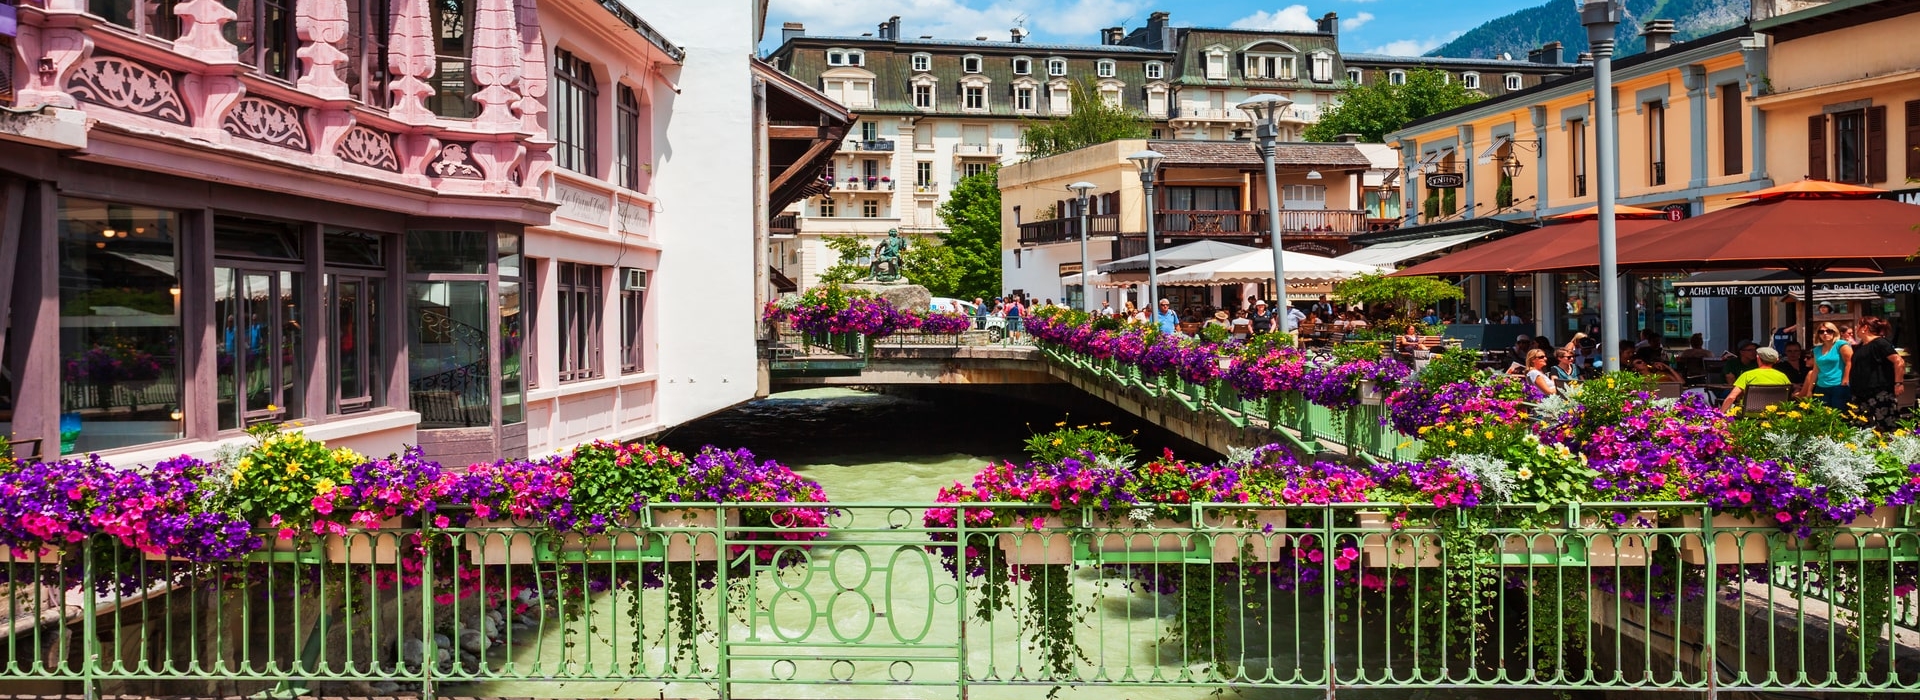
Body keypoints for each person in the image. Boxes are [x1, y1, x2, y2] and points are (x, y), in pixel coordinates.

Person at [1849, 316, 1906, 431]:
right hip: (1860, 392)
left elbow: (1899, 361)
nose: (1856, 328)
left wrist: (1898, 383)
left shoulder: (1880, 343)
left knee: (1887, 424)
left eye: (1858, 325)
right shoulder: (1860, 346)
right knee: (1860, 426)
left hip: (1879, 391)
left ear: (1864, 328)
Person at [1721, 346, 1793, 412]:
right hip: (1774, 415)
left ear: (1758, 358)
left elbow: (1731, 397)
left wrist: (1720, 415)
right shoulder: (1782, 376)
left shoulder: (1747, 375)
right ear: (1775, 360)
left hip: (1749, 414)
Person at [1803, 321, 1853, 409]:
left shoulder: (1841, 345)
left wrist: (1845, 382)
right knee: (1822, 416)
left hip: (1838, 385)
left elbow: (1850, 363)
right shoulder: (1817, 350)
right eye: (1821, 332)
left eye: (1829, 331)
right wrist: (1810, 390)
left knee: (1839, 416)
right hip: (1821, 387)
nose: (1825, 333)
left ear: (1834, 332)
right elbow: (1816, 370)